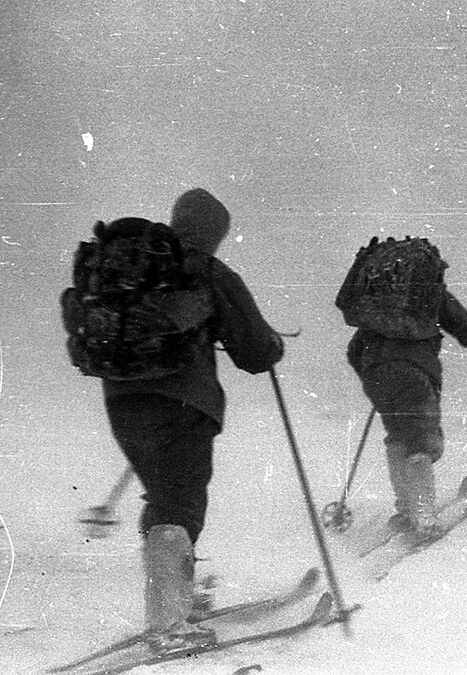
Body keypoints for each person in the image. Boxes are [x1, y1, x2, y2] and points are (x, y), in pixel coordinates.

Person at [99, 188, 286, 653]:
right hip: (184, 402)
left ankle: (174, 600)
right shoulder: (207, 269)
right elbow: (256, 351)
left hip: (121, 398)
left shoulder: (133, 262)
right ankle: (170, 623)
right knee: (179, 500)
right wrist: (273, 347)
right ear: (216, 232)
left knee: (163, 495)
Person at [341, 238, 467, 538]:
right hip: (415, 374)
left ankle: (407, 510)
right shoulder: (430, 296)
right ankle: (423, 516)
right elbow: (466, 330)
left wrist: (375, 376)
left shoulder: (376, 307)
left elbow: (353, 351)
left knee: (398, 438)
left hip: (376, 376)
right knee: (420, 441)